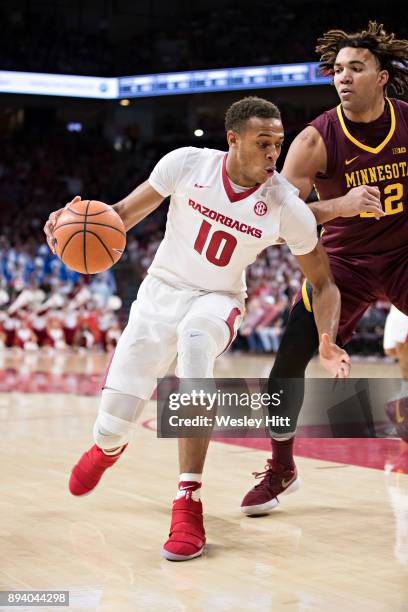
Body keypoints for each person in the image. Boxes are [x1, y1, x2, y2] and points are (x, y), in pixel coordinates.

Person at [44, 97, 350, 561]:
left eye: (278, 144)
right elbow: (121, 216)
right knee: (110, 428)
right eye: (263, 142)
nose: (273, 153)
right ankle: (107, 449)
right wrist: (67, 228)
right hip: (158, 295)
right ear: (233, 139)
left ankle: (188, 499)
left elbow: (324, 283)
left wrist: (327, 338)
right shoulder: (186, 164)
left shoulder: (286, 204)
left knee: (194, 346)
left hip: (218, 301)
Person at [240, 21, 408, 516]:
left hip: (403, 255)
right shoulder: (316, 139)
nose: (344, 77)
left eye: (357, 68)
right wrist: (341, 205)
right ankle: (281, 467)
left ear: (381, 76)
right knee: (288, 360)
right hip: (343, 266)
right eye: (338, 69)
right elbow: (277, 215)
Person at [383, 305, 408, 442]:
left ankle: (399, 407)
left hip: (400, 312)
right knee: (395, 352)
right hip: (399, 311)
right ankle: (399, 408)